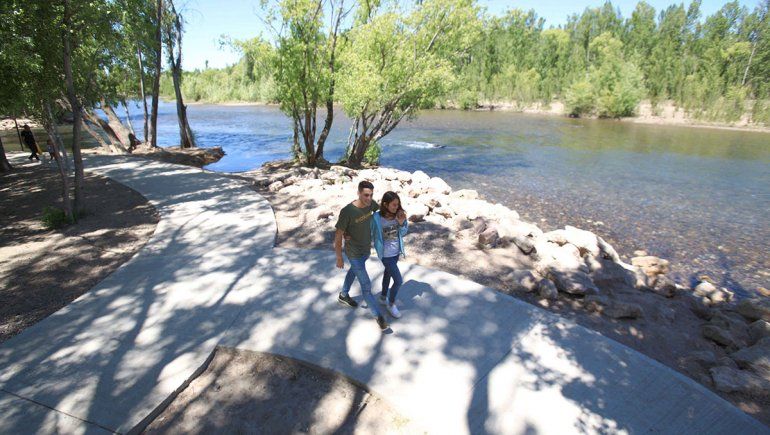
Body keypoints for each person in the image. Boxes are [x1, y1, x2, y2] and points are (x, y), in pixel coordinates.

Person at [334, 180, 389, 331]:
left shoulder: (371, 205)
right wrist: (339, 257)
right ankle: (379, 317)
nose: (369, 198)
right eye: (365, 195)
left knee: (354, 271)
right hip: (353, 253)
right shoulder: (347, 212)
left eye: (371, 195)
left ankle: (343, 295)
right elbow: (338, 235)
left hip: (365, 250)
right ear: (358, 193)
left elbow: (382, 213)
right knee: (366, 286)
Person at [371, 191, 408, 319]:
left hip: (396, 253)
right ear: (385, 204)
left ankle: (383, 297)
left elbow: (403, 233)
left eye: (398, 204)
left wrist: (401, 223)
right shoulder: (377, 217)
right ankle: (391, 304)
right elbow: (369, 231)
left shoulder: (399, 214)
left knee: (387, 274)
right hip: (386, 255)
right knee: (398, 281)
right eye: (394, 205)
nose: (396, 207)